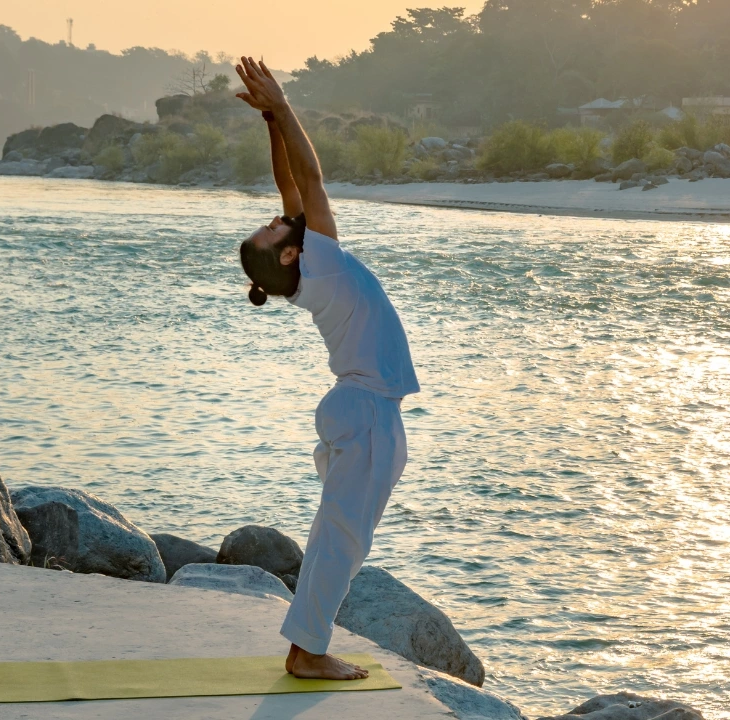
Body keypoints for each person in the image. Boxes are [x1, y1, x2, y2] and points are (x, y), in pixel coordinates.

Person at [233, 56, 420, 681]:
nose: (275, 216)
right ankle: (308, 652)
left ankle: (304, 646)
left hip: (358, 410)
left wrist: (270, 122)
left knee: (335, 536)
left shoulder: (311, 268)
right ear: (290, 253)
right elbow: (309, 179)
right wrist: (284, 105)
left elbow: (290, 187)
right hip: (365, 413)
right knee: (342, 541)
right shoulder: (326, 263)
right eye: (271, 229)